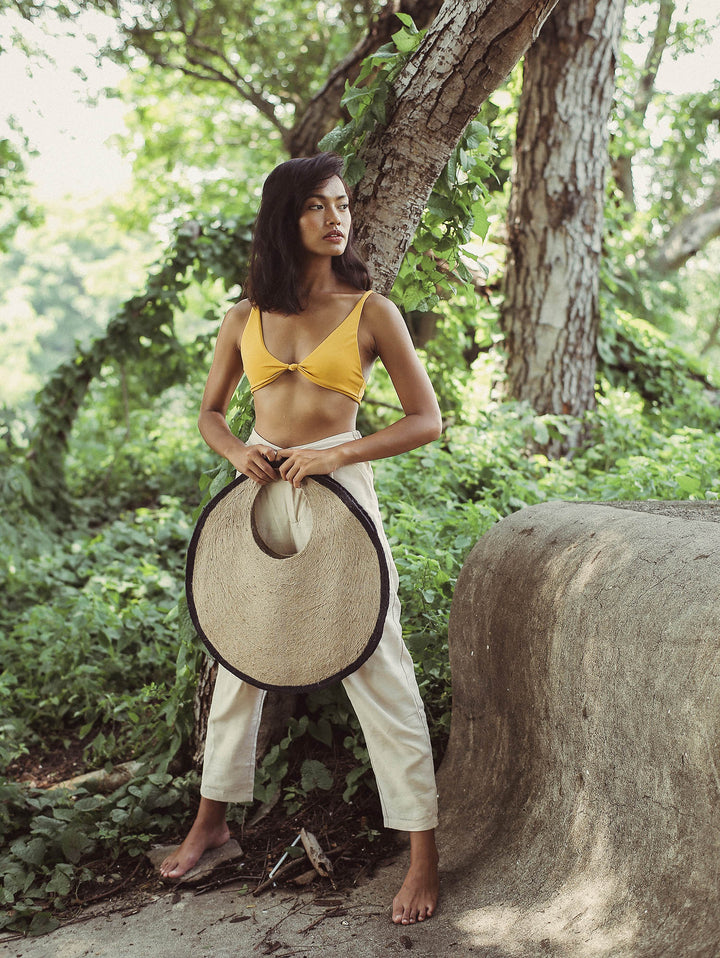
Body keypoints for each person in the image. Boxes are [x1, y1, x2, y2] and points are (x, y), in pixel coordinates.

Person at [160, 152, 442, 925]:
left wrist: (337, 453)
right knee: (237, 656)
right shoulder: (244, 316)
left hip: (341, 495)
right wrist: (234, 452)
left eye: (342, 204)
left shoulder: (370, 311)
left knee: (378, 662)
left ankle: (422, 854)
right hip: (258, 492)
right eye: (316, 206)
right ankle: (212, 825)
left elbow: (427, 420)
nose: (335, 218)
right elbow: (212, 413)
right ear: (286, 219)